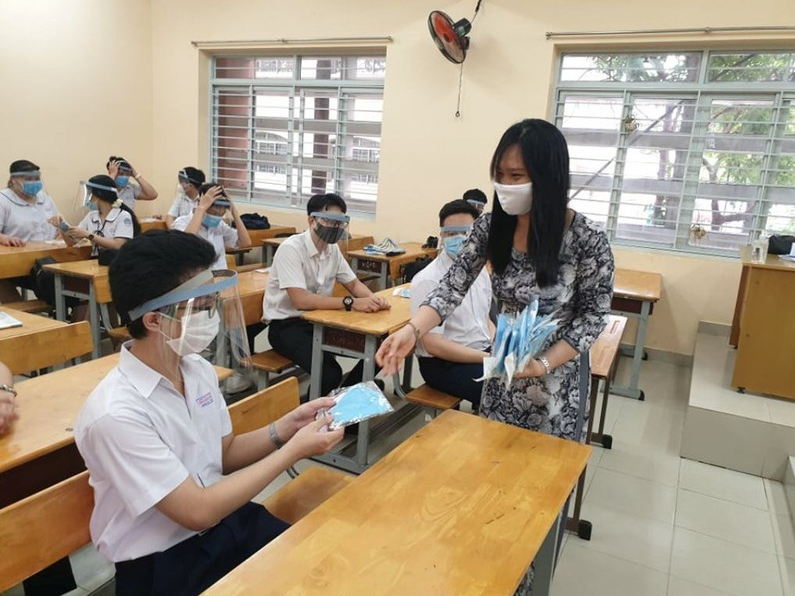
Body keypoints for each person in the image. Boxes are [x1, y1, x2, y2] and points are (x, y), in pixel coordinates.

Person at [74, 230, 344, 596]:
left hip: (226, 523)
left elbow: (223, 452)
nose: (211, 315)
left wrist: (286, 428)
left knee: (326, 570)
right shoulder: (116, 414)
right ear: (154, 320)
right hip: (164, 564)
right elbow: (196, 510)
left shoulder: (195, 368)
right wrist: (293, 451)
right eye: (199, 307)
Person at [263, 193, 390, 397]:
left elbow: (354, 283)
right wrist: (350, 302)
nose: (335, 227)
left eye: (340, 222)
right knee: (329, 373)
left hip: (320, 321)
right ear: (311, 220)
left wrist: (373, 300)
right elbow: (301, 300)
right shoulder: (291, 249)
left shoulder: (333, 250)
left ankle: (346, 397)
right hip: (286, 325)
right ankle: (316, 413)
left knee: (379, 343)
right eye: (330, 220)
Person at [410, 200, 493, 411]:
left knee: (528, 378)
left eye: (466, 232)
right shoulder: (428, 279)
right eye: (451, 233)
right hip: (444, 364)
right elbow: (432, 344)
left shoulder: (481, 271)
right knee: (501, 390)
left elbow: (486, 320)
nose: (460, 238)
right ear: (442, 235)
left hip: (481, 353)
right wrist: (489, 358)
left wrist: (500, 346)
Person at [0, 160, 65, 303]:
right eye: (28, 179)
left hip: (51, 260)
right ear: (13, 180)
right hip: (18, 264)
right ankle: (27, 319)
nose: (33, 182)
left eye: (36, 179)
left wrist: (62, 231)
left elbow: (59, 223)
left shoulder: (45, 198)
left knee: (81, 284)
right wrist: (3, 237)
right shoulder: (3, 199)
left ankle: (73, 322)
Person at [172, 183, 251, 271]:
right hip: (196, 281)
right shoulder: (181, 222)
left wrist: (235, 213)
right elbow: (186, 243)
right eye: (213, 213)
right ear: (200, 203)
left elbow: (245, 243)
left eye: (220, 215)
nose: (216, 218)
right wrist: (201, 209)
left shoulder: (220, 225)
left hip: (220, 278)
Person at [62, 175, 140, 257]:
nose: (88, 199)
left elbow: (118, 245)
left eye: (90, 194)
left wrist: (89, 235)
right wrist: (61, 226)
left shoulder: (123, 216)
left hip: (115, 261)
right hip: (96, 260)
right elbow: (71, 242)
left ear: (99, 194)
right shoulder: (91, 216)